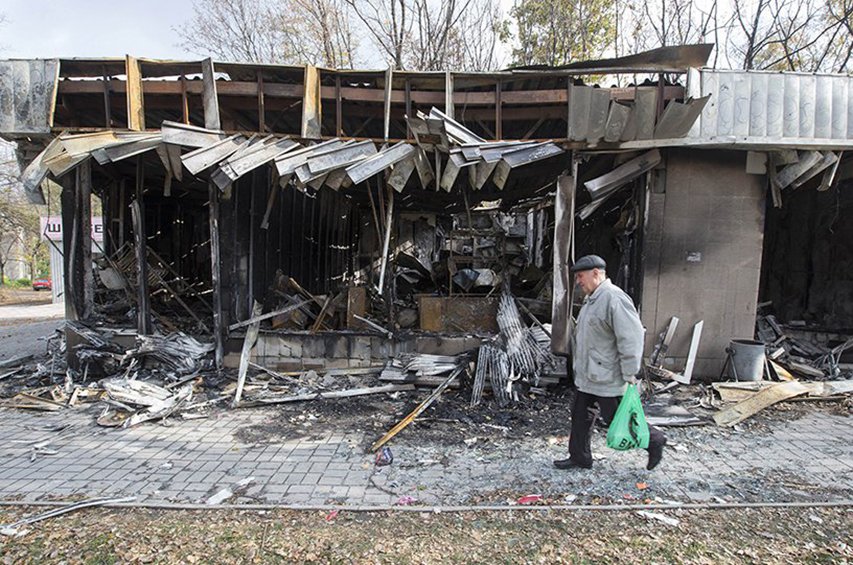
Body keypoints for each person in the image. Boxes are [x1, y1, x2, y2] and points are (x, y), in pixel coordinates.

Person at [553, 254, 667, 471]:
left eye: (581, 276)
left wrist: (630, 372)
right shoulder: (592, 300)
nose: (578, 281)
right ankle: (580, 457)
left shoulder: (614, 298)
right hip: (589, 375)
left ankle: (654, 440)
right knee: (579, 415)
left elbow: (631, 337)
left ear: (596, 273)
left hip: (609, 376)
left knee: (616, 418)